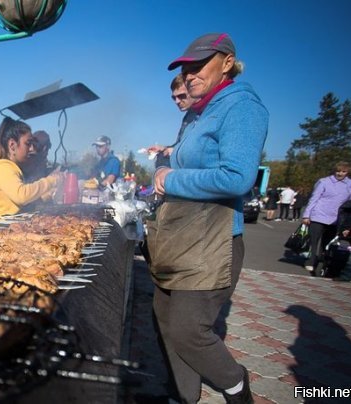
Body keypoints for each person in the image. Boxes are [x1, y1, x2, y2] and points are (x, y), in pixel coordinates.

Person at [152, 32, 268, 404]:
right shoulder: (196, 113)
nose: (189, 75)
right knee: (164, 314)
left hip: (214, 241)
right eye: (185, 69)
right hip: (180, 234)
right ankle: (185, 395)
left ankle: (236, 385)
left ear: (227, 62)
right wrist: (167, 162)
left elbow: (237, 176)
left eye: (198, 66)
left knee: (188, 328)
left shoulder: (242, 107)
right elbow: (192, 160)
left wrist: (173, 177)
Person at [0, 117, 62, 219]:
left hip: (12, 229)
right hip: (0, 231)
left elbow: (19, 204)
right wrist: (51, 180)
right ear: (12, 145)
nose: (31, 148)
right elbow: (22, 196)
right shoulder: (3, 167)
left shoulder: (12, 167)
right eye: (27, 143)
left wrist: (45, 197)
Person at [302, 162, 351, 275]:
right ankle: (311, 261)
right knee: (314, 240)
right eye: (338, 171)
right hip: (318, 215)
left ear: (347, 172)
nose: (340, 173)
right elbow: (314, 198)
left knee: (327, 243)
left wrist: (349, 221)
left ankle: (323, 261)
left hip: (337, 218)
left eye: (343, 171)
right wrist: (307, 215)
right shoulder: (324, 181)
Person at [146, 73, 199, 168]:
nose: (177, 101)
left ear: (193, 90)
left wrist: (174, 151)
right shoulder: (188, 116)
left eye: (181, 96)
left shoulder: (205, 113)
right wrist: (164, 148)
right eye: (174, 98)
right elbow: (180, 143)